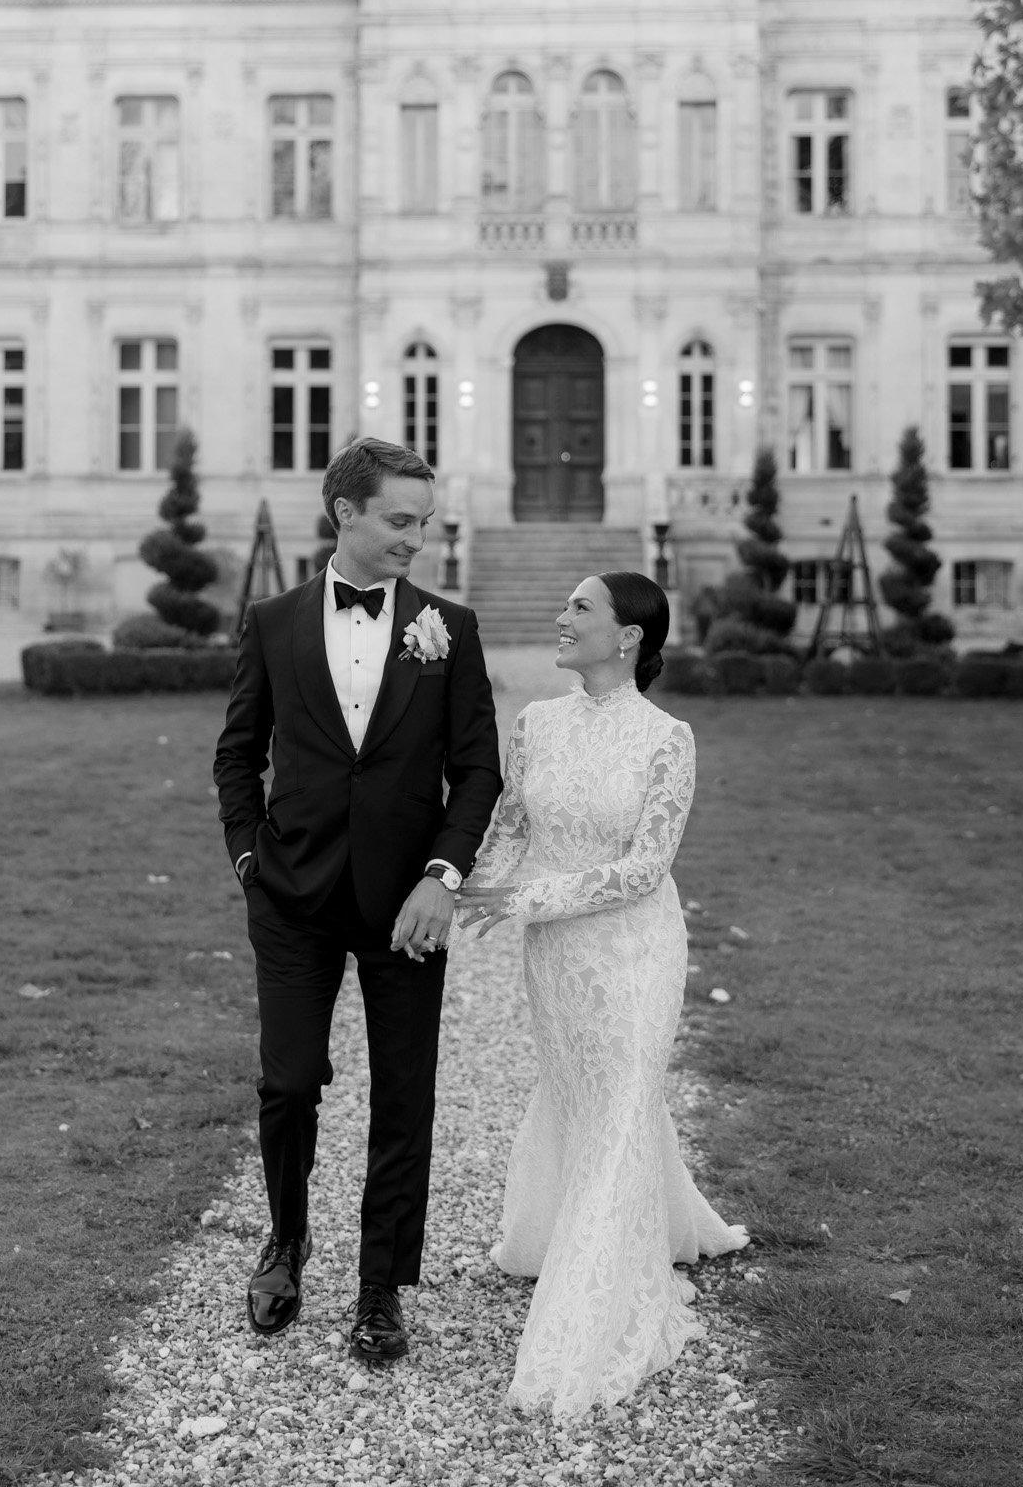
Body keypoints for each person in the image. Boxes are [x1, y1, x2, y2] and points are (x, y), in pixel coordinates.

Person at [214, 438, 502, 1364]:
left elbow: (477, 771)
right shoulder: (271, 619)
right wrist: (248, 858)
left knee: (402, 1094)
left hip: (405, 905)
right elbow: (236, 753)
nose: (418, 538)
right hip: (291, 896)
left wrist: (442, 878)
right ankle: (285, 1242)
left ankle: (381, 1286)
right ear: (345, 513)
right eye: (400, 521)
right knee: (289, 1080)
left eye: (425, 521)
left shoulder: (447, 626)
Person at [456, 571, 747, 1418]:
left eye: (580, 608)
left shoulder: (668, 738)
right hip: (555, 961)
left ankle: (594, 1302)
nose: (560, 617)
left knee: (622, 1098)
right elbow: (509, 832)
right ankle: (622, 1223)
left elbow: (645, 867)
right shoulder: (536, 723)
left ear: (628, 637)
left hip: (631, 949)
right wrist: (458, 891)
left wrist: (531, 900)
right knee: (585, 1095)